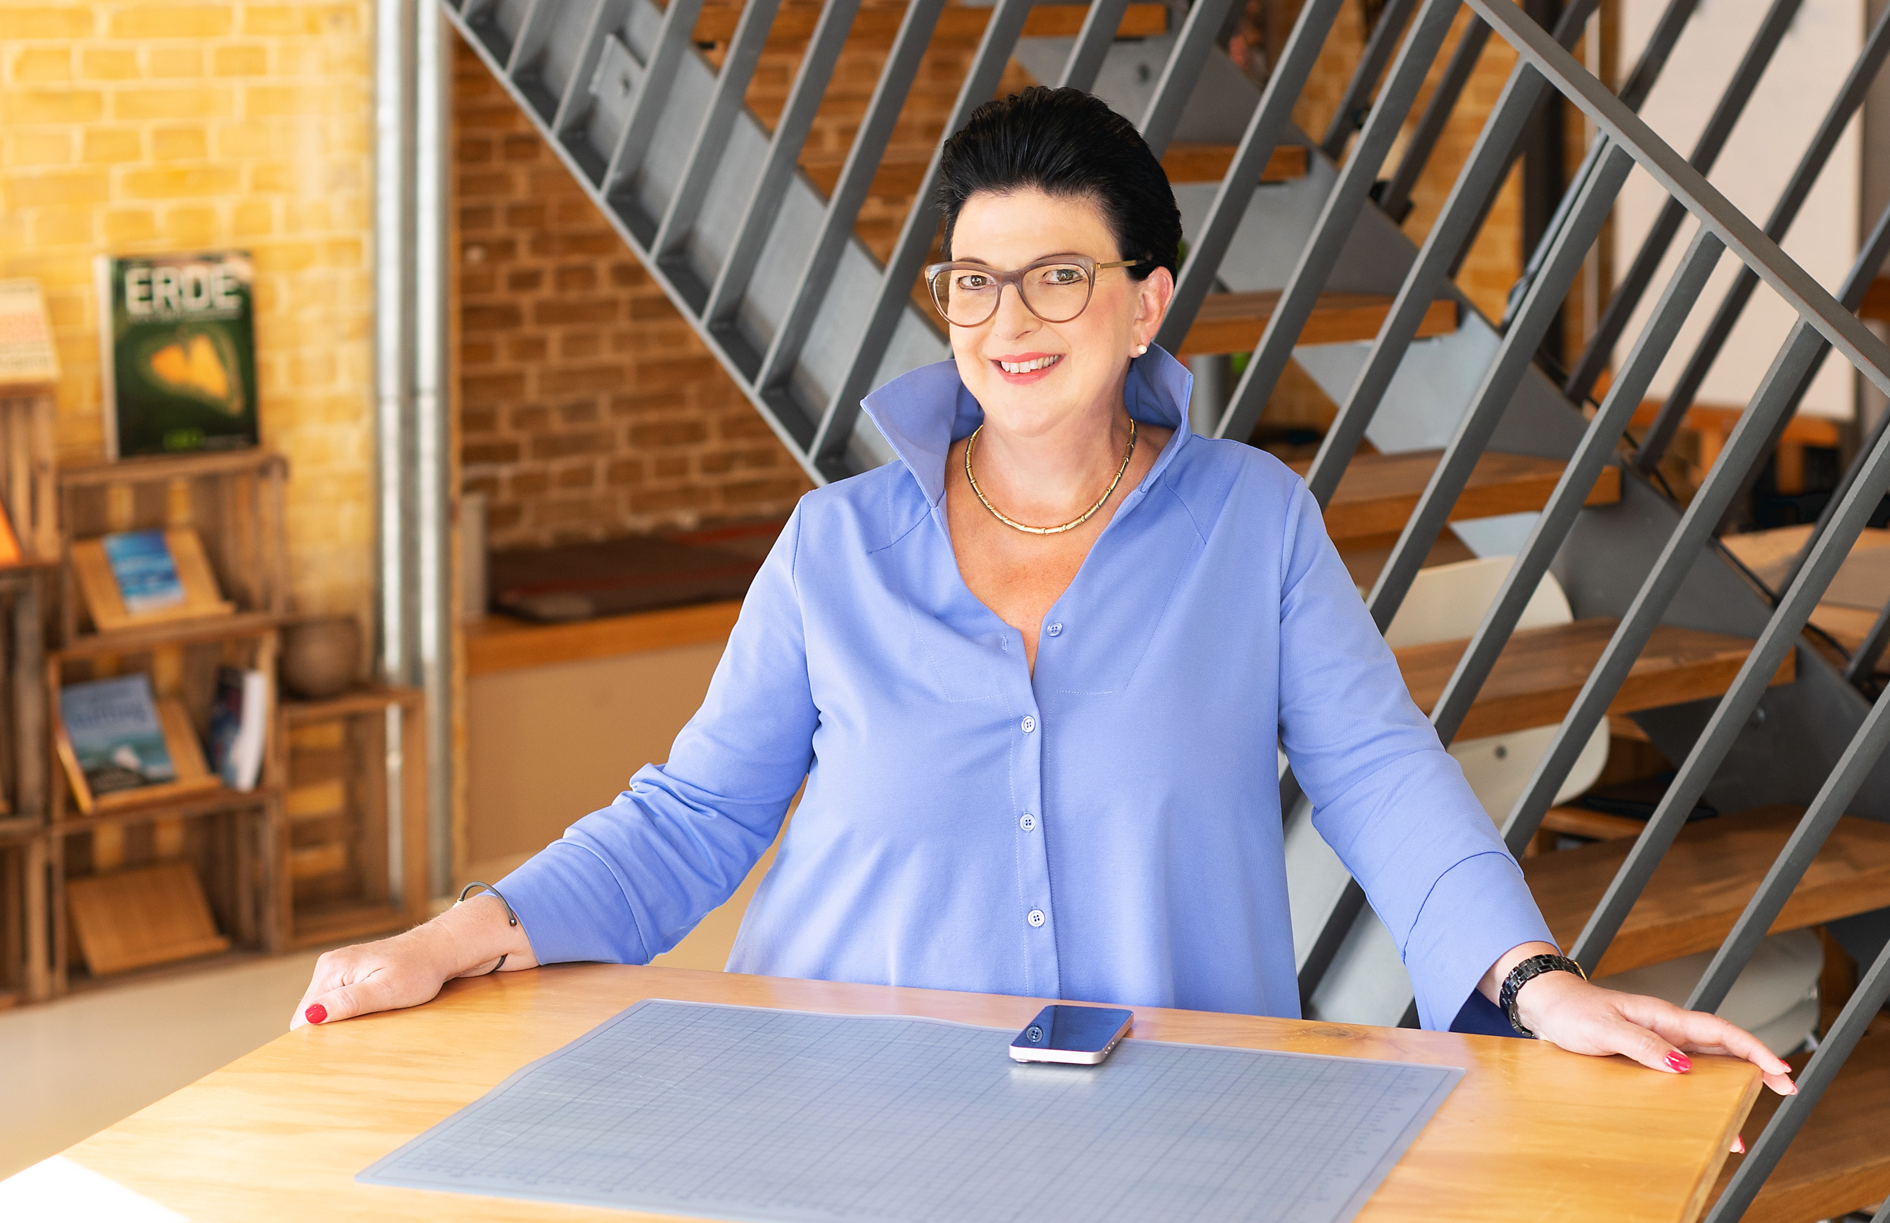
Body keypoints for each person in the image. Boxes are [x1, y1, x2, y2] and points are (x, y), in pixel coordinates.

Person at [293, 87, 1793, 1095]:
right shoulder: (836, 546)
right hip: (833, 1106)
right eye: (971, 280)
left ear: (1144, 298)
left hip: (1171, 1103)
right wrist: (451, 936)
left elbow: (1379, 774)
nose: (1008, 320)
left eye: (1058, 277)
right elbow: (693, 818)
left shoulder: (1251, 526)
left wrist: (1530, 980)